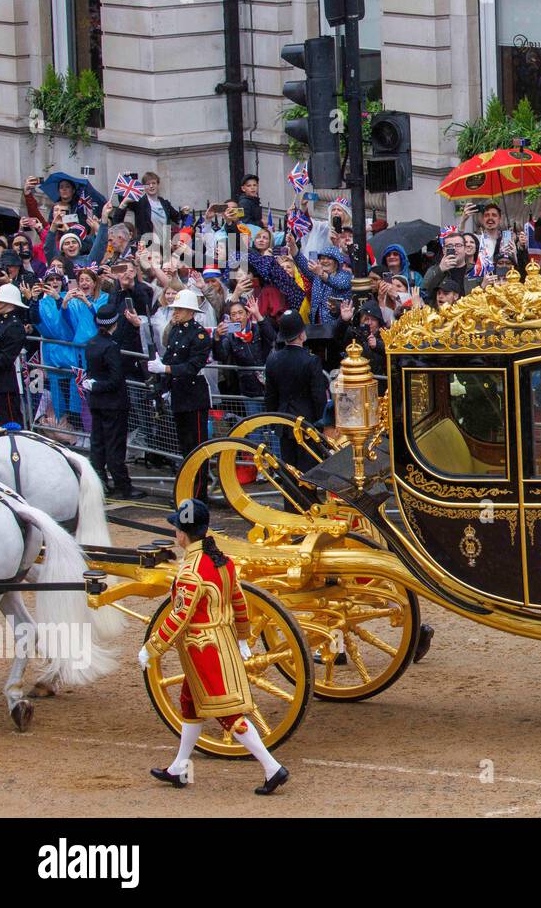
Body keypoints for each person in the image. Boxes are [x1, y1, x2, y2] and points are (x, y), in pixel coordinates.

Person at [141, 498, 290, 795]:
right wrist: (242, 637)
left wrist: (152, 647)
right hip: (220, 642)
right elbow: (239, 602)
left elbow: (179, 616)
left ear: (183, 534)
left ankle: (272, 768)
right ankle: (179, 768)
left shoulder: (189, 571)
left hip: (202, 649)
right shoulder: (222, 561)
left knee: (230, 715)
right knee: (190, 704)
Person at [146, 290, 213, 501]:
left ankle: (199, 495)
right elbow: (171, 357)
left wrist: (165, 370)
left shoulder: (200, 335)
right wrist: (162, 384)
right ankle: (187, 490)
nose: (175, 312)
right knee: (185, 448)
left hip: (194, 396)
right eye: (175, 308)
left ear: (190, 312)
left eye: (180, 309)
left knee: (198, 448)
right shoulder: (175, 331)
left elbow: (192, 366)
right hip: (179, 395)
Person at [83, 302, 146, 499]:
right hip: (113, 403)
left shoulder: (92, 343)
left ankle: (100, 481)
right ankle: (123, 486)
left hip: (98, 402)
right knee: (114, 446)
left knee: (98, 444)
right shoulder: (110, 347)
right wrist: (96, 385)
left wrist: (93, 385)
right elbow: (115, 379)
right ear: (114, 324)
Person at [265, 311, 329, 477]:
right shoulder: (310, 360)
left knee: (289, 472)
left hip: (284, 422)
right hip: (307, 423)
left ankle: (291, 503)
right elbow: (318, 396)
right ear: (302, 334)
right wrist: (322, 422)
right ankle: (307, 503)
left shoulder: (273, 360)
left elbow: (270, 396)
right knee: (308, 473)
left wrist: (274, 422)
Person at [0, 283, 27, 426]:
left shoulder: (14, 326)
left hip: (6, 385)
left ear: (9, 303)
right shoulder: (4, 323)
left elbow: (6, 359)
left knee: (11, 424)